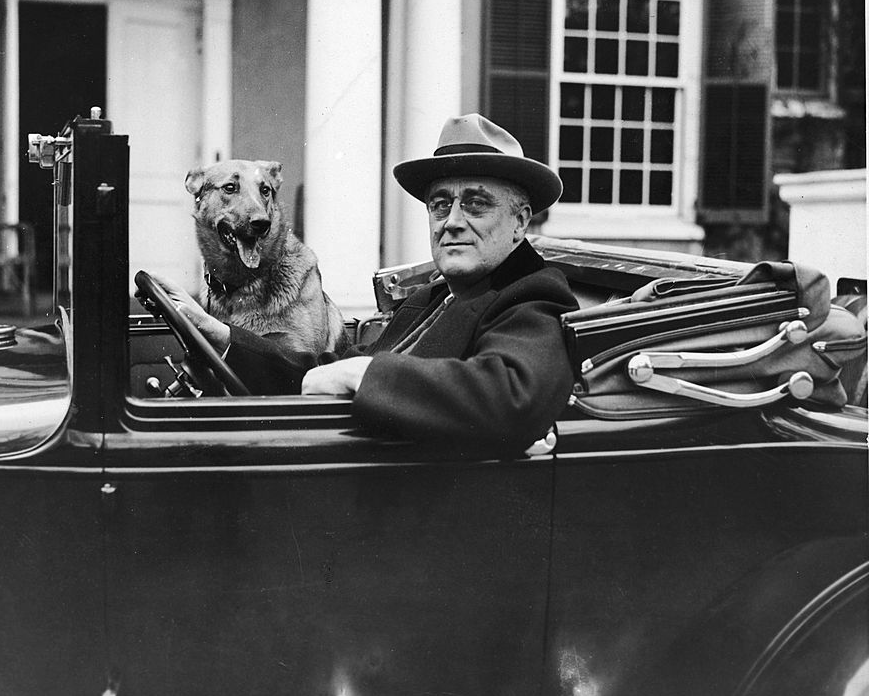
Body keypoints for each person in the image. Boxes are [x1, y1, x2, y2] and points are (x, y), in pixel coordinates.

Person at [159, 113, 579, 451]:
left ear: (520, 222)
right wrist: (223, 338)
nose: (451, 222)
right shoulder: (432, 298)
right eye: (440, 204)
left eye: (475, 203)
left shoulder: (534, 295)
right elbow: (325, 372)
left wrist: (365, 375)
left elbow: (514, 398)